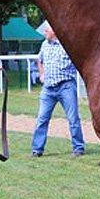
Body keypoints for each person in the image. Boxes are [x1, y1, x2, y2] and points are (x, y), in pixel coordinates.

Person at [31, 24, 85, 157]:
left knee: (73, 118)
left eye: (47, 30)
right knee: (42, 119)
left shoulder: (68, 45)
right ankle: (37, 149)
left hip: (66, 86)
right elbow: (40, 60)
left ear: (54, 31)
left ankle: (78, 148)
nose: (44, 32)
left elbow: (79, 61)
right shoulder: (45, 45)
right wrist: (41, 74)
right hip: (48, 88)